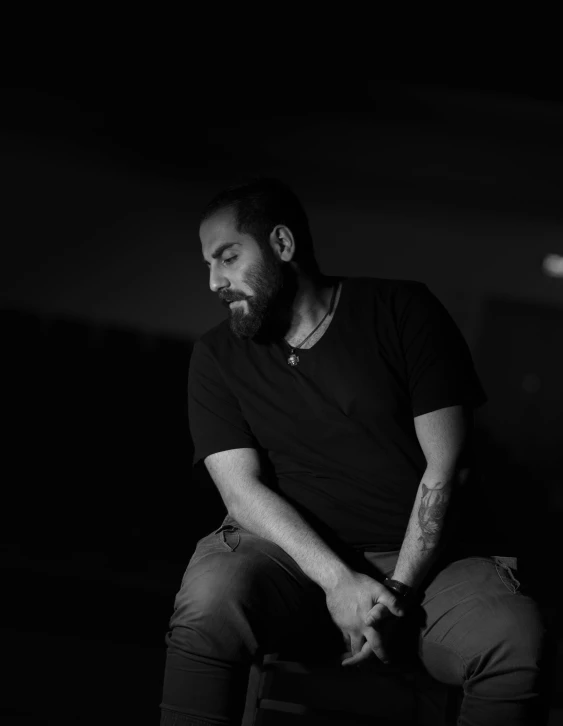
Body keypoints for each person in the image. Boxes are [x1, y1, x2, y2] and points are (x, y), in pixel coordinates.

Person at [160, 178, 550, 726]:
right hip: (288, 562)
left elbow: (448, 469)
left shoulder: (401, 310)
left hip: (427, 566)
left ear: (282, 244)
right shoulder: (217, 356)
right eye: (208, 264)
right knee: (209, 599)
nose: (214, 281)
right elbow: (241, 492)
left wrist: (393, 593)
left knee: (515, 640)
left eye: (227, 257)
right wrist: (338, 580)